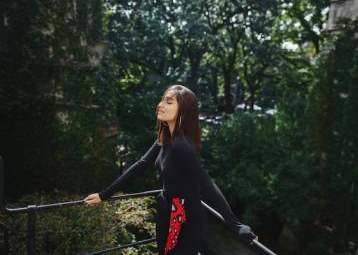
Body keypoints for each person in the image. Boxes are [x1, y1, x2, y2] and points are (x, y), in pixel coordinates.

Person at [84, 84, 258, 254]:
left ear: (183, 110)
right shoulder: (165, 137)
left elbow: (207, 184)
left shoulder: (181, 145)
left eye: (169, 102)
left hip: (186, 218)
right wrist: (104, 194)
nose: (161, 105)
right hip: (166, 209)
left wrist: (236, 226)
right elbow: (141, 164)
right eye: (162, 100)